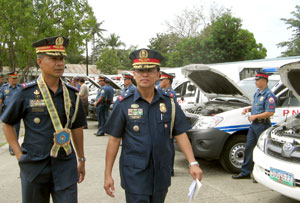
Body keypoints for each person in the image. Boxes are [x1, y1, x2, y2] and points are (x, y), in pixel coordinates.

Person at [103, 48, 203, 203]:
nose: (145, 74)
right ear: (134, 74)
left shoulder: (169, 103)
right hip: (135, 174)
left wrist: (193, 163)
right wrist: (107, 174)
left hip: (161, 173)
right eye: (140, 70)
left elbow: (180, 134)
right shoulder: (124, 104)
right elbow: (114, 140)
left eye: (149, 70)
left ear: (158, 75)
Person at [0, 36, 86, 203]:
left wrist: (81, 159)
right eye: (53, 59)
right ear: (39, 62)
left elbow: (76, 128)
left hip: (65, 164)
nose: (59, 63)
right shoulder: (25, 93)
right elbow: (7, 123)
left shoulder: (72, 93)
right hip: (34, 165)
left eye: (61, 58)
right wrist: (19, 156)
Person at [232, 71, 276, 180]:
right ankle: (245, 172)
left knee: (261, 151)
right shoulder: (257, 93)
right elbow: (256, 106)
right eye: (256, 80)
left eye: (258, 80)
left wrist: (255, 117)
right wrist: (248, 109)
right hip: (254, 125)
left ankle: (260, 175)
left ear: (264, 81)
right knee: (248, 148)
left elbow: (270, 112)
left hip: (262, 125)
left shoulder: (269, 95)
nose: (256, 82)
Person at [157, 71, 176, 176]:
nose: (160, 82)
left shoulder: (170, 93)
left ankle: (170, 169)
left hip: (168, 123)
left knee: (169, 146)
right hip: (162, 122)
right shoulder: (163, 91)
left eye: (162, 80)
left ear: (167, 81)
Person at [0, 71, 22, 155]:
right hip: (7, 111)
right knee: (9, 129)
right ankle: (12, 147)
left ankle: (13, 148)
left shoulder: (20, 88)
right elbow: (1, 100)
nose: (15, 80)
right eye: (13, 79)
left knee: (16, 130)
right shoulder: (4, 88)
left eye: (16, 78)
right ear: (9, 79)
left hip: (17, 112)